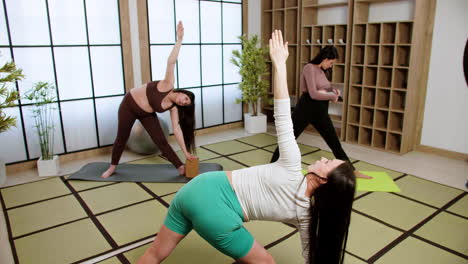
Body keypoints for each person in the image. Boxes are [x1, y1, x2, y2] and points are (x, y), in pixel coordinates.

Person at [137, 30, 356, 264]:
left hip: (196, 188)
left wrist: (281, 65)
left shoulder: (303, 203)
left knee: (154, 254)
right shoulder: (299, 189)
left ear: (324, 181)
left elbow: (311, 252)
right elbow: (283, 115)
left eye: (328, 163)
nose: (323, 159)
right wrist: (279, 65)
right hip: (214, 202)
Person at [101, 21, 197, 179]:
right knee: (122, 136)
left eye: (185, 104)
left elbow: (177, 129)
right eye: (185, 98)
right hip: (129, 105)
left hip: (146, 114)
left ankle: (180, 167)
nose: (183, 101)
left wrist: (186, 153)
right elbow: (171, 62)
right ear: (181, 92)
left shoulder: (173, 107)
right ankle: (112, 166)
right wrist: (179, 40)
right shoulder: (168, 84)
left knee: (161, 140)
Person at [270, 45, 370, 179]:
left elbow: (326, 88)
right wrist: (331, 95)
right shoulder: (309, 68)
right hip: (306, 109)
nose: (331, 66)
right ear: (325, 58)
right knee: (288, 139)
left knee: (334, 141)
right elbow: (313, 93)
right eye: (331, 62)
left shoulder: (322, 71)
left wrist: (334, 91)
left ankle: (351, 170)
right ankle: (271, 166)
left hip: (320, 111)